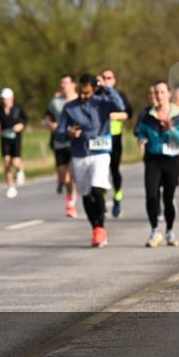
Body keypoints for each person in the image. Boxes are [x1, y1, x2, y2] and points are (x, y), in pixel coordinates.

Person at [56, 73, 127, 247]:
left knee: (97, 189)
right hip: (80, 154)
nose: (83, 96)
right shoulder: (70, 107)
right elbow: (59, 131)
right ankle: (95, 228)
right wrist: (69, 133)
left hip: (101, 152)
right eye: (81, 92)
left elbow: (121, 106)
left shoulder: (102, 103)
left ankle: (101, 228)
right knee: (86, 194)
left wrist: (105, 88)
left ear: (94, 89)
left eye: (87, 93)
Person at [135, 81, 179, 247]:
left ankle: (170, 230)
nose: (159, 96)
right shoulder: (148, 116)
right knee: (151, 196)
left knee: (169, 198)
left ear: (168, 94)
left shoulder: (178, 115)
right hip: (153, 159)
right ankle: (154, 231)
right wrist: (142, 139)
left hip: (171, 159)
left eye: (162, 92)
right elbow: (141, 132)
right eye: (157, 92)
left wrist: (172, 129)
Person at [98, 69, 133, 218]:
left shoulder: (120, 96)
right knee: (101, 171)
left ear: (114, 80)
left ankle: (117, 198)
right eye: (103, 77)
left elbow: (129, 113)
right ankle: (102, 201)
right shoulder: (96, 95)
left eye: (109, 77)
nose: (106, 80)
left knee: (114, 170)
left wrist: (117, 115)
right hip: (99, 139)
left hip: (114, 138)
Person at [44, 75, 78, 217]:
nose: (63, 85)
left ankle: (71, 202)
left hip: (76, 143)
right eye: (61, 82)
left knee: (72, 173)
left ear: (73, 84)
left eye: (65, 82)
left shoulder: (80, 100)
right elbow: (46, 119)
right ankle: (69, 195)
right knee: (63, 177)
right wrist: (53, 126)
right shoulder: (55, 103)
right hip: (60, 143)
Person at [0, 88, 28, 199]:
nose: (4, 101)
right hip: (4, 138)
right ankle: (11, 187)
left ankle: (20, 170)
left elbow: (25, 119)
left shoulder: (18, 108)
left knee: (15, 162)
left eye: (6, 99)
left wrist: (21, 125)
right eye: (3, 99)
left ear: (11, 98)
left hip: (16, 138)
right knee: (6, 162)